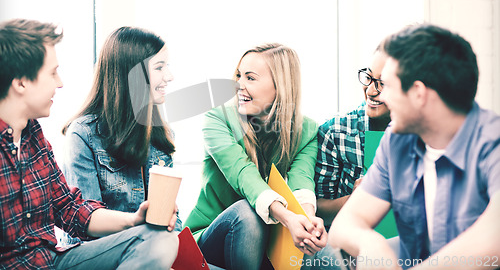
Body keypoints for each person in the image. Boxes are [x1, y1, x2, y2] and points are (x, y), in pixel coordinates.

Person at [0, 19, 178, 270]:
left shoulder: (34, 138)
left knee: (159, 239)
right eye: (52, 73)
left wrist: (135, 220)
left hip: (54, 261)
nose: (59, 83)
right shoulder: (83, 133)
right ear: (21, 82)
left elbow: (71, 210)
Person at [329, 24, 500, 269]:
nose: (381, 96)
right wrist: (371, 244)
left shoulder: (492, 141)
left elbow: (496, 231)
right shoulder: (397, 141)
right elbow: (345, 226)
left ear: (418, 93)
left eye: (387, 85)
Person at [184, 43, 328, 270]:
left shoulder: (307, 130)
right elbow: (244, 175)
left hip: (267, 242)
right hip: (210, 237)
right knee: (246, 213)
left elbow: (302, 183)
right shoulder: (217, 119)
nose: (238, 85)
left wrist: (308, 223)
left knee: (325, 251)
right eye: (238, 76)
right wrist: (288, 218)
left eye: (250, 78)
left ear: (280, 86)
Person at [60, 26, 180, 235]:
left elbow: (171, 221)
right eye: (160, 67)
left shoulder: (161, 136)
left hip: (154, 249)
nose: (169, 76)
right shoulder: (83, 134)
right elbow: (85, 225)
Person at [315, 42, 391, 227]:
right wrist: (354, 200)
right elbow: (316, 209)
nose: (371, 91)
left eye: (383, 83)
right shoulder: (336, 131)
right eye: (369, 78)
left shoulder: (426, 136)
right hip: (348, 238)